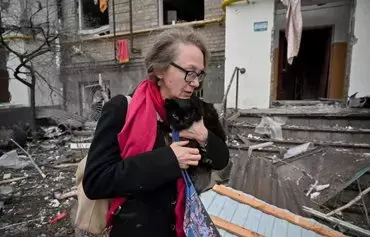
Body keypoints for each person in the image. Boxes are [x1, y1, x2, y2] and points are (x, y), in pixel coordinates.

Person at [83, 27, 229, 237]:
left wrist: (203, 136)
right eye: (189, 72)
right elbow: (96, 181)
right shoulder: (123, 109)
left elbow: (222, 160)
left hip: (184, 229)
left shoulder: (198, 110)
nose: (196, 83)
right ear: (160, 69)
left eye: (200, 74)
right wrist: (169, 159)